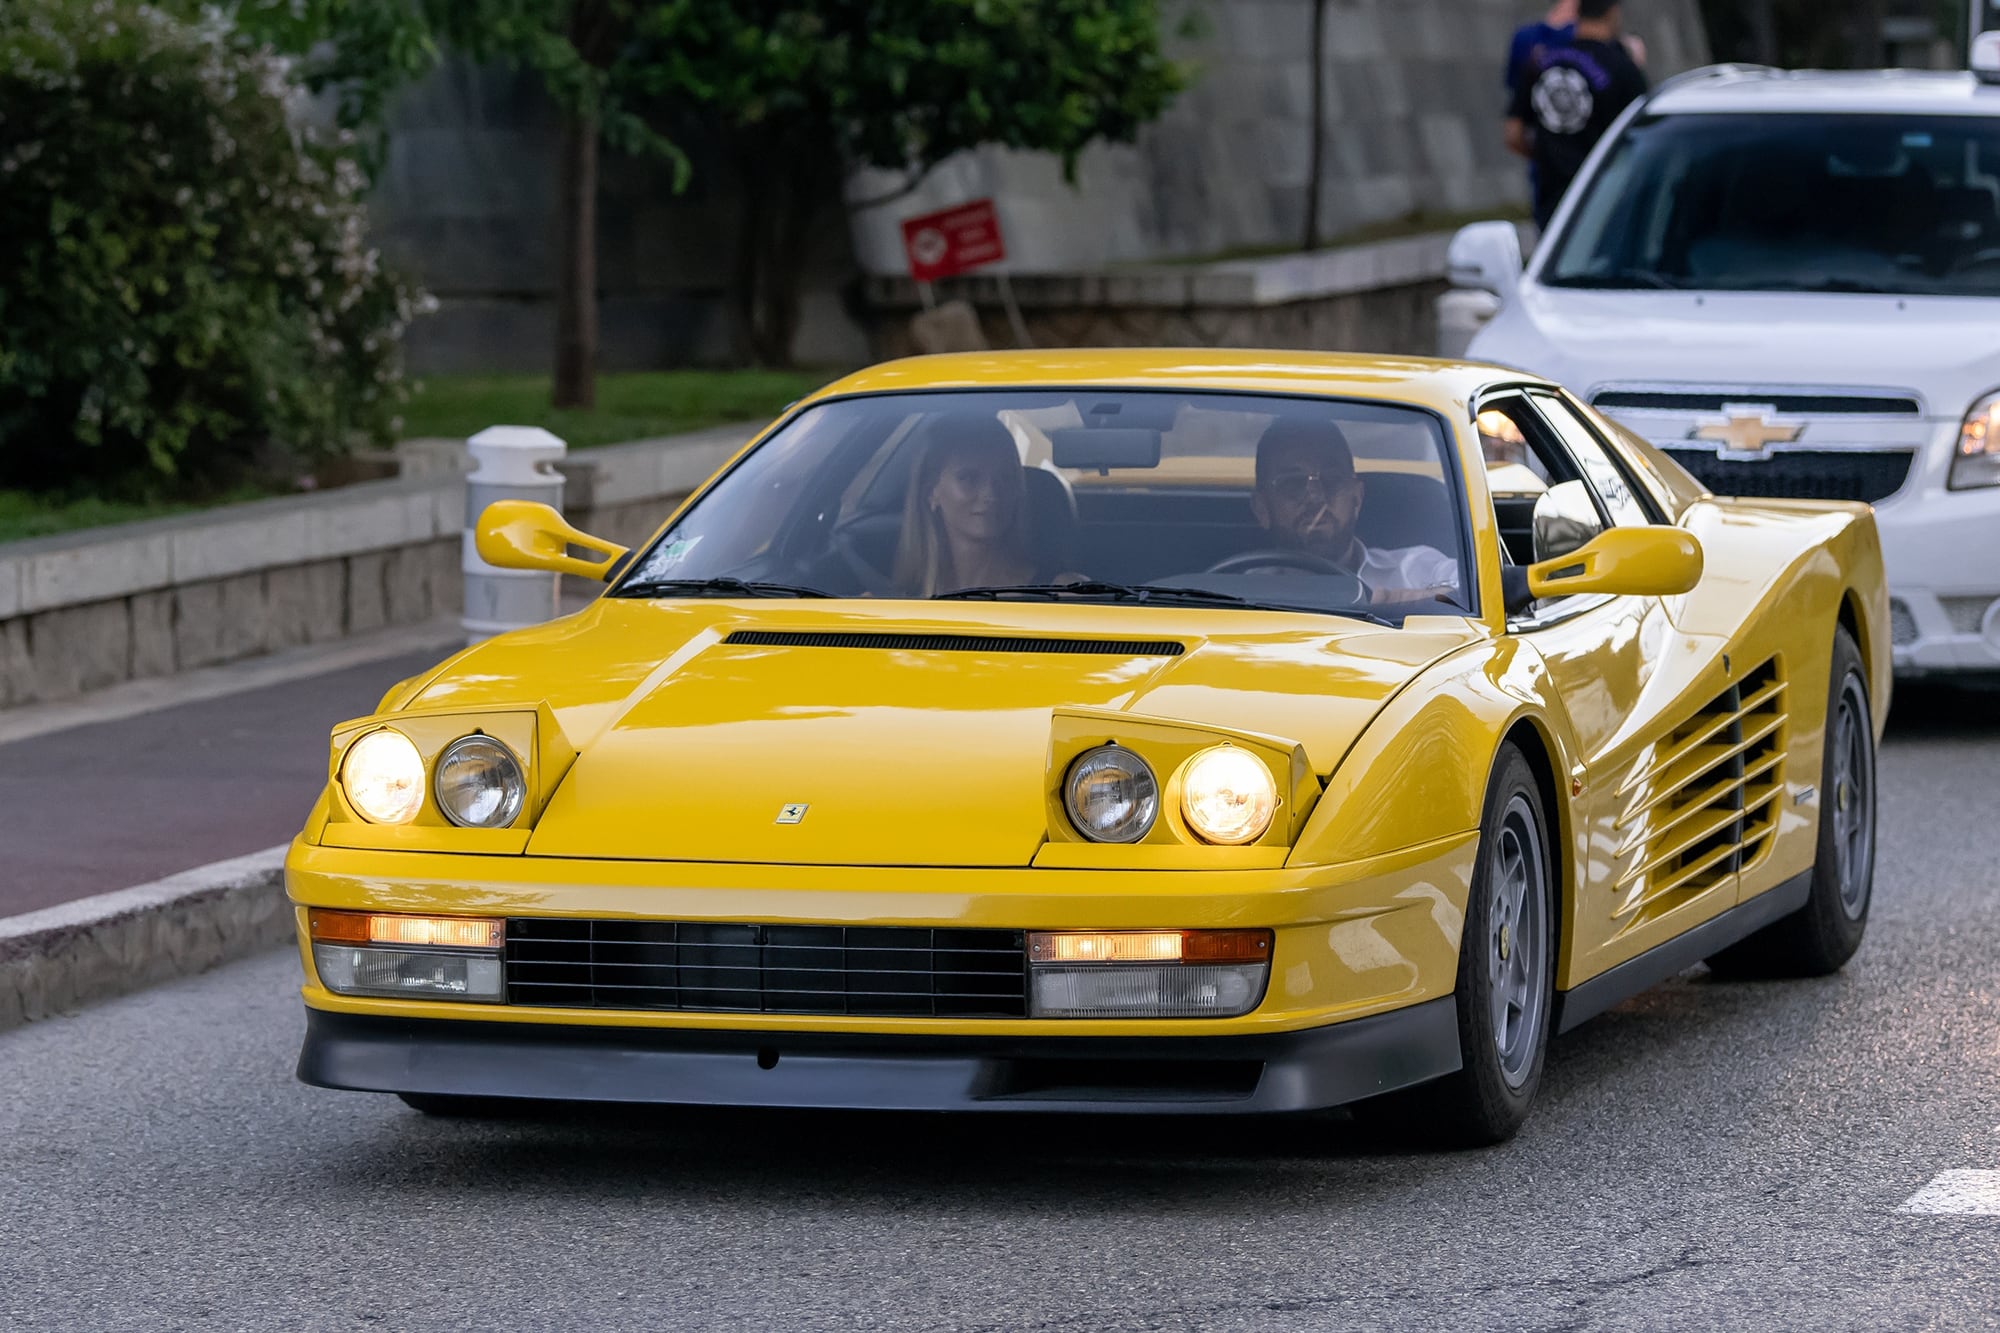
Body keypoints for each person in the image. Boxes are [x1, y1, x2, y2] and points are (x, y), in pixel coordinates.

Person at [1245, 418, 1460, 605]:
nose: (1316, 497)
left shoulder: (1415, 570)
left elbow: (1476, 593)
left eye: (1332, 479)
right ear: (1262, 508)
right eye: (1292, 483)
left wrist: (1386, 599)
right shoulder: (1238, 592)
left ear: (1357, 497)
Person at [1506, 0, 1648, 230]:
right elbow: (1641, 142)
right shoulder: (1623, 69)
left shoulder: (1539, 63)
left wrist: (1548, 155)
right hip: (1608, 201)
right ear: (1612, 13)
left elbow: (1513, 135)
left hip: (1553, 203)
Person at [893, 414, 1048, 595]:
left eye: (1005, 478)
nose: (990, 494)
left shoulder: (1063, 594)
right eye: (968, 478)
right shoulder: (884, 605)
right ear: (931, 492)